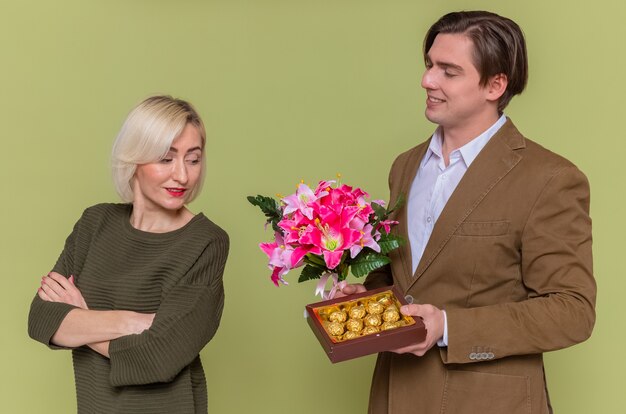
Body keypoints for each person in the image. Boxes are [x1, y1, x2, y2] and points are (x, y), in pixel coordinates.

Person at [337, 11, 596, 414]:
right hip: (394, 395)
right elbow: (407, 276)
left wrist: (448, 328)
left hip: (486, 402)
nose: (427, 80)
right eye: (428, 65)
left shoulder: (550, 178)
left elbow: (572, 310)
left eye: (448, 71)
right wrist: (368, 301)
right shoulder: (404, 166)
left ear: (495, 84)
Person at [28, 95, 229, 414]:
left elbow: (159, 358)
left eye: (193, 159)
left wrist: (80, 316)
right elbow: (41, 318)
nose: (182, 175)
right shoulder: (94, 224)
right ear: (134, 158)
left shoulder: (206, 242)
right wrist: (135, 322)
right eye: (166, 159)